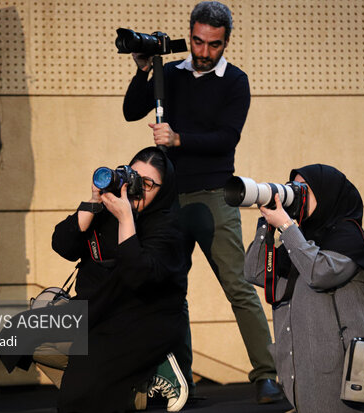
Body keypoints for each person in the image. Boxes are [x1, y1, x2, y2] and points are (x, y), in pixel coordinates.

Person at [122, 1, 284, 404]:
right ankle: (181, 383)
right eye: (197, 41)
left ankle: (267, 376)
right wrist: (144, 69)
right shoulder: (169, 72)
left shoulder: (235, 82)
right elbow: (130, 111)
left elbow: (227, 138)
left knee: (238, 287)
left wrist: (179, 140)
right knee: (169, 291)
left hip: (213, 197)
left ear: (225, 41)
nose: (203, 51)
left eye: (213, 44)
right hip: (168, 201)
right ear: (190, 34)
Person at [0, 147, 189, 413]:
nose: (137, 188)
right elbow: (62, 245)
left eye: (147, 184)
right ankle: (132, 388)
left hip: (142, 319)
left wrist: (126, 219)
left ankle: (156, 367)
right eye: (133, 176)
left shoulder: (166, 225)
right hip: (96, 309)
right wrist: (93, 202)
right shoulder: (105, 210)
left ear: (163, 189)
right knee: (18, 333)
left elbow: (139, 276)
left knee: (77, 398)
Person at [244, 164, 364, 413]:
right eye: (294, 189)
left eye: (305, 190)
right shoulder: (298, 241)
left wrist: (288, 229)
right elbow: (254, 272)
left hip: (346, 382)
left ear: (327, 194)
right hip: (303, 378)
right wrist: (266, 226)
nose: (297, 195)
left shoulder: (349, 236)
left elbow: (319, 273)